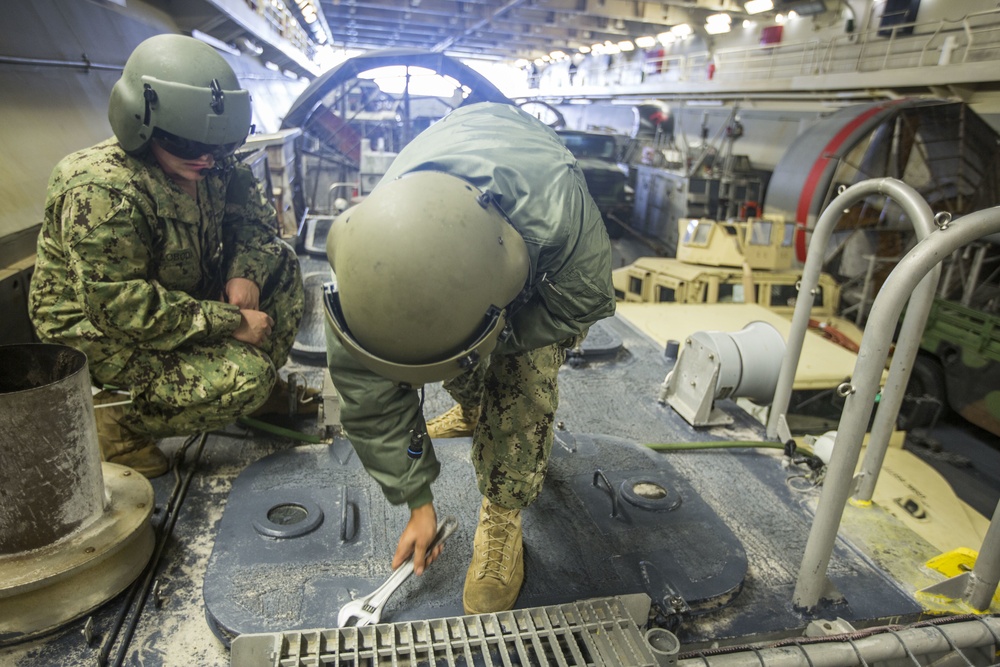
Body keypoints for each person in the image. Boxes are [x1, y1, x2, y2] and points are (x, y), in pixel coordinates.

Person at [324, 102, 615, 615]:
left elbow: (578, 309)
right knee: (449, 345)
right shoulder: (368, 262)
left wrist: (498, 345)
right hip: (458, 193)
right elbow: (366, 391)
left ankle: (503, 513)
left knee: (522, 372)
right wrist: (417, 500)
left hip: (532, 226)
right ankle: (476, 410)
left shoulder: (566, 232)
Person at [28, 34, 310, 479]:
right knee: (247, 379)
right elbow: (120, 308)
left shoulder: (211, 161)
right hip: (102, 335)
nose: (204, 159)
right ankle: (118, 422)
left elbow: (254, 226)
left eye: (216, 147)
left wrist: (244, 274)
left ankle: (251, 382)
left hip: (177, 296)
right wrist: (230, 322)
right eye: (185, 145)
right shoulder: (103, 190)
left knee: (283, 266)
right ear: (140, 126)